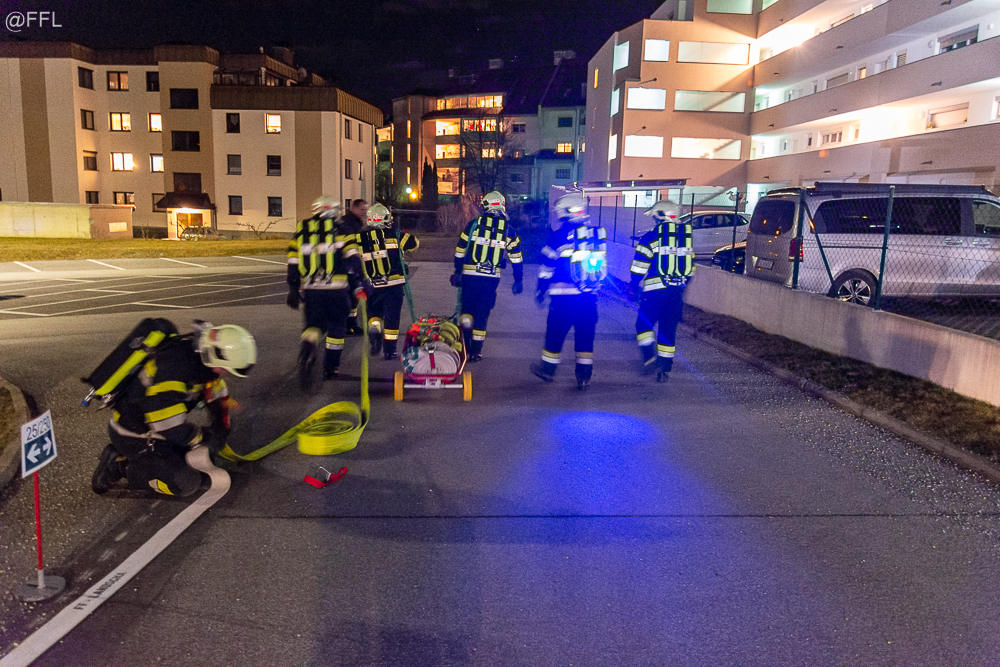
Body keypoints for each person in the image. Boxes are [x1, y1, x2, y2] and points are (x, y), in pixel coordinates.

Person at [91, 322, 256, 497]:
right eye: (225, 369)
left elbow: (216, 391)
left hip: (156, 428)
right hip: (133, 434)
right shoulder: (174, 368)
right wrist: (202, 437)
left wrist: (220, 426)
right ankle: (120, 465)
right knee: (185, 484)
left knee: (205, 458)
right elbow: (167, 425)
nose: (225, 373)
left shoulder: (199, 357)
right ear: (215, 357)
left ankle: (151, 459)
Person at [529, 192, 607, 390]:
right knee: (585, 337)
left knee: (555, 333)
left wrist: (541, 290)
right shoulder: (596, 234)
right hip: (589, 298)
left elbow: (547, 267)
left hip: (563, 298)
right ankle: (584, 377)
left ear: (563, 212)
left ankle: (547, 370)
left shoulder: (558, 235)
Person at [287, 195, 366, 385]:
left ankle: (309, 343)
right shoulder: (342, 230)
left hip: (312, 290)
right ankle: (331, 369)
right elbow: (353, 258)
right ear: (334, 211)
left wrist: (293, 289)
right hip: (337, 291)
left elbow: (293, 262)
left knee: (314, 325)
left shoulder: (302, 230)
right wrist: (360, 282)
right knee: (337, 328)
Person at [450, 190, 524, 362]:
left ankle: (465, 343)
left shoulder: (473, 224)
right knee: (482, 314)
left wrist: (457, 270)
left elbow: (460, 249)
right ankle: (476, 352)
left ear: (485, 206)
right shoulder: (508, 229)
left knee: (467, 309)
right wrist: (518, 279)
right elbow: (516, 257)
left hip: (469, 276)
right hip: (491, 279)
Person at [629, 200, 695, 382]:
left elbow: (639, 267)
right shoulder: (684, 239)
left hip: (654, 292)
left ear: (659, 216)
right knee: (668, 329)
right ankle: (664, 368)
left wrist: (633, 285)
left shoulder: (650, 237)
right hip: (676, 293)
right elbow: (691, 269)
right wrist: (681, 287)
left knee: (643, 325)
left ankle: (649, 357)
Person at [357, 203, 419, 359]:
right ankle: (389, 351)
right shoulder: (395, 234)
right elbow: (414, 243)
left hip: (372, 285)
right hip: (394, 285)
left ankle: (375, 329)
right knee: (392, 318)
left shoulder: (360, 237)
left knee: (374, 313)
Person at [340, 199, 370, 336]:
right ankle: (348, 325)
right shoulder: (349, 224)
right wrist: (357, 268)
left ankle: (351, 324)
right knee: (350, 297)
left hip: (351, 266)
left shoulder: (354, 222)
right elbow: (351, 247)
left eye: (366, 210)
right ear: (355, 208)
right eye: (362, 210)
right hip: (348, 266)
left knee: (353, 298)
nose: (364, 213)